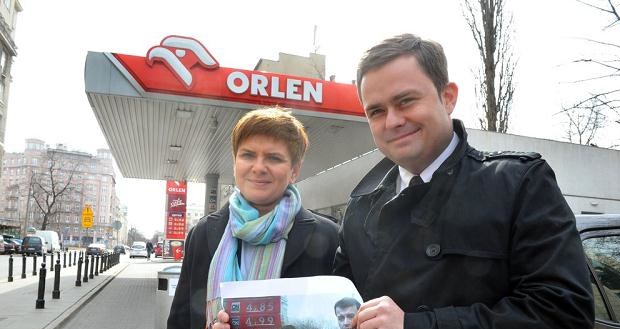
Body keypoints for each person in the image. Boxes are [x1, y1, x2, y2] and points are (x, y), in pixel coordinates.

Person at [333, 34, 594, 329]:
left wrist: (415, 325)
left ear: (448, 97)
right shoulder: (358, 209)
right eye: (376, 111)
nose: (392, 121)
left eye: (405, 101)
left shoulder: (520, 183)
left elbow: (562, 313)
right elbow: (338, 312)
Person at [167, 107, 339, 329]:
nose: (258, 168)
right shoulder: (203, 234)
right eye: (248, 155)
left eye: (274, 158)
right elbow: (180, 321)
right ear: (235, 163)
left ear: (294, 171)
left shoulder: (329, 237)